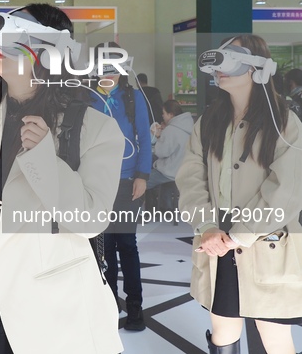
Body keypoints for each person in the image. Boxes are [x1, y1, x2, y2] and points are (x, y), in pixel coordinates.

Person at [0, 4, 125, 354]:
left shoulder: (95, 128)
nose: (1, 45)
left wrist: (45, 158)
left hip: (53, 304)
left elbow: (90, 219)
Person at [176, 34, 302, 354]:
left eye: (231, 59)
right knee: (223, 323)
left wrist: (241, 234)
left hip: (265, 241)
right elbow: (191, 178)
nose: (220, 67)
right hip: (217, 240)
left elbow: (286, 188)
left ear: (257, 68)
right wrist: (207, 226)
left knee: (272, 331)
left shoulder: (285, 122)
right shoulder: (209, 122)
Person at [91, 46, 152, 331]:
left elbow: (144, 138)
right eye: (104, 69)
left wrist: (142, 175)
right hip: (96, 182)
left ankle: (136, 307)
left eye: (114, 69)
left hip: (127, 181)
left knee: (126, 244)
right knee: (104, 247)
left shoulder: (133, 97)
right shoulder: (86, 97)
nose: (109, 75)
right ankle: (109, 302)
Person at [147, 99, 193, 189]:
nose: (162, 116)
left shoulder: (171, 130)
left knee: (142, 181)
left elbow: (160, 152)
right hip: (183, 169)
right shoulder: (189, 125)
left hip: (169, 171)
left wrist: (158, 137)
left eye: (163, 113)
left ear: (170, 114)